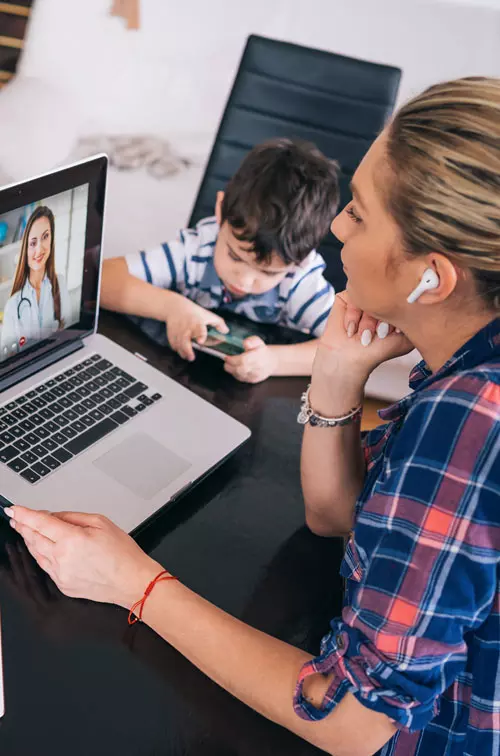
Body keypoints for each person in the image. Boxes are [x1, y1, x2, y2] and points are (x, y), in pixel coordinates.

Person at [6, 77, 500, 756]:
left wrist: (133, 583)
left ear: (432, 277)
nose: (335, 229)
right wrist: (336, 373)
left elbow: (355, 722)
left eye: (357, 211)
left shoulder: (472, 420)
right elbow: (336, 518)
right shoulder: (463, 365)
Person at [100, 138, 340, 383]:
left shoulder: (300, 281)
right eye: (235, 256)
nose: (244, 281)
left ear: (301, 258)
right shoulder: (195, 252)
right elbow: (100, 278)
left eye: (268, 273)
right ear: (220, 210)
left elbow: (349, 348)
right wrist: (172, 308)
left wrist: (276, 361)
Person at [0, 205, 71, 356]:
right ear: (25, 248)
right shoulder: (13, 306)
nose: (39, 250)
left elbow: (70, 335)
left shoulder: (61, 284)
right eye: (33, 243)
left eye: (45, 237)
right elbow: (8, 360)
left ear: (52, 239)